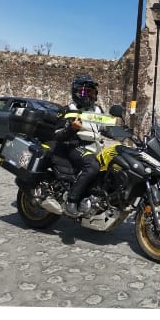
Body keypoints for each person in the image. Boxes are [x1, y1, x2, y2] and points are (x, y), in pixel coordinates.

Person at [55, 74, 105, 218]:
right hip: (74, 146)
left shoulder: (98, 111)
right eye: (85, 92)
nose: (89, 96)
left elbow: (106, 128)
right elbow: (57, 134)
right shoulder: (68, 110)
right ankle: (72, 200)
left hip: (95, 147)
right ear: (76, 92)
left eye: (92, 92)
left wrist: (125, 133)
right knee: (92, 165)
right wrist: (71, 128)